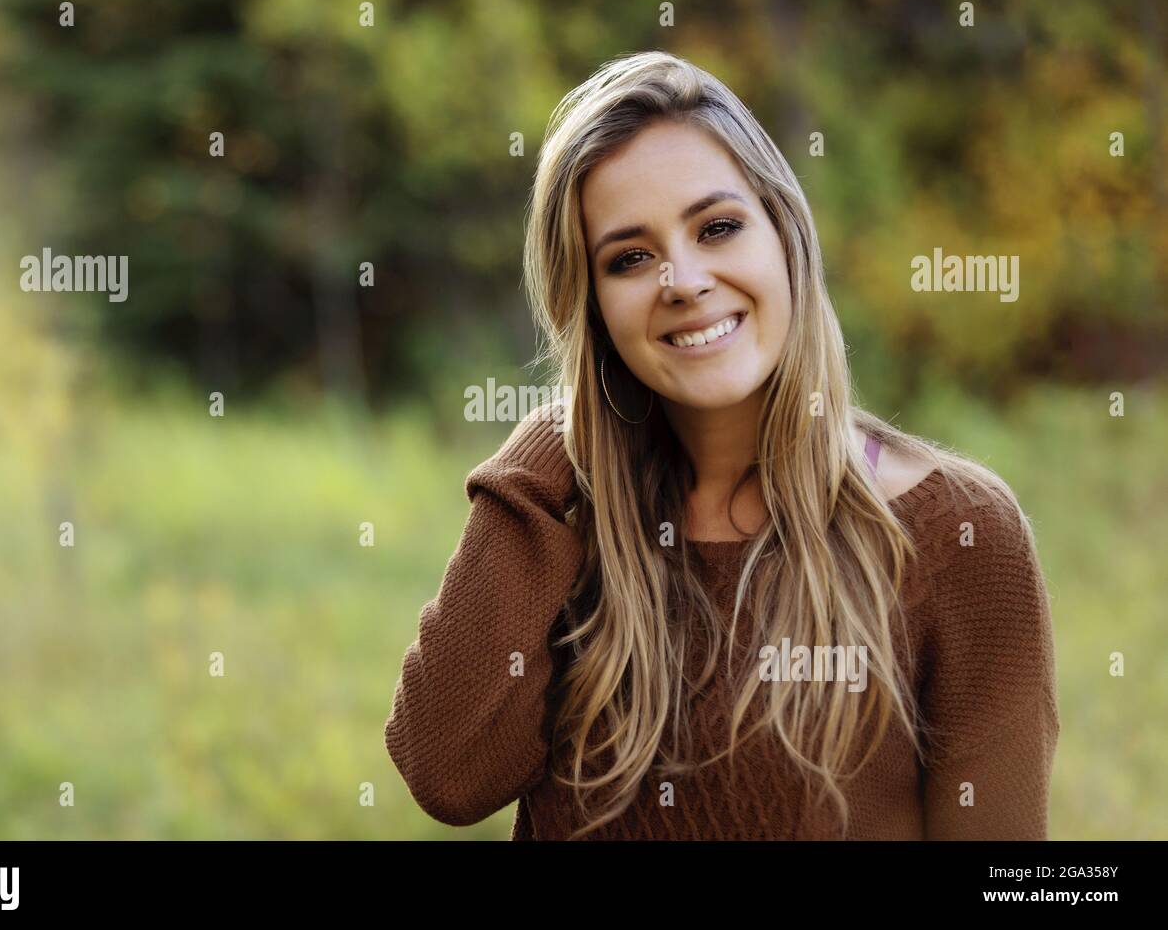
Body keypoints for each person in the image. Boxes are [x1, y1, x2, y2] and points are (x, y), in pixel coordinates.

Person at [384, 50, 1059, 840]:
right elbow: (446, 772)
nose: (683, 278)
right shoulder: (567, 518)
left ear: (786, 236)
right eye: (629, 258)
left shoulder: (957, 535)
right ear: (593, 306)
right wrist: (553, 441)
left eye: (718, 227)